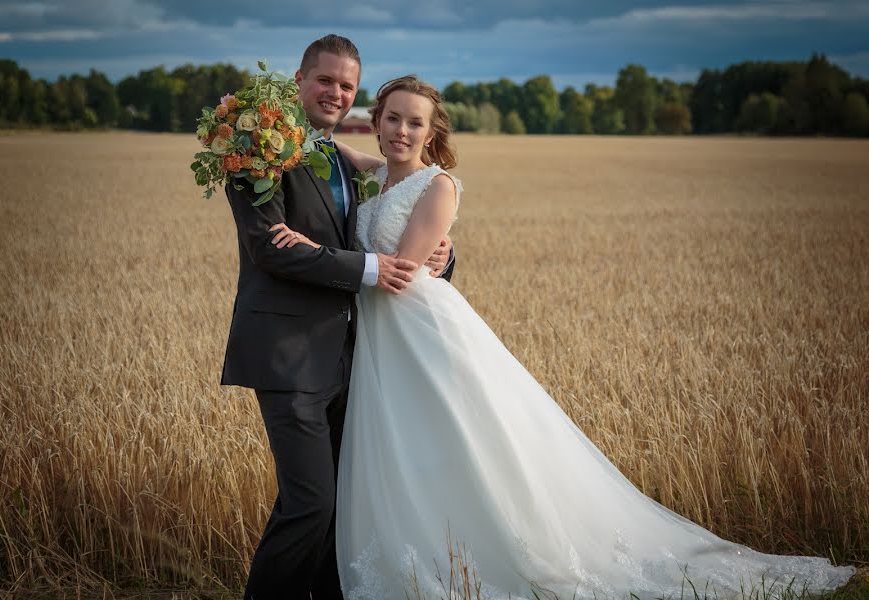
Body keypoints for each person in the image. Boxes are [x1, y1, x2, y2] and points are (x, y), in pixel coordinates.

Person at [269, 75, 855, 599]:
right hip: (378, 342)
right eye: (391, 118)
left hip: (418, 331)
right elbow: (327, 149)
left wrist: (316, 255)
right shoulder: (374, 179)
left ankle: (483, 559)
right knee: (401, 454)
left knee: (457, 446)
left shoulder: (439, 185)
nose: (401, 130)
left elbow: (402, 272)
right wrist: (282, 130)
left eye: (414, 122)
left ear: (431, 131)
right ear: (376, 122)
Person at [221, 36, 455, 600]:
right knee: (311, 504)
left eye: (346, 85)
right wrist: (370, 268)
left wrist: (441, 259)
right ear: (299, 79)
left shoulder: (340, 161)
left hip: (354, 358)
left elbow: (401, 223)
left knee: (342, 502)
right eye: (325, 80)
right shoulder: (255, 148)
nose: (335, 92)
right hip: (288, 353)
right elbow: (270, 248)